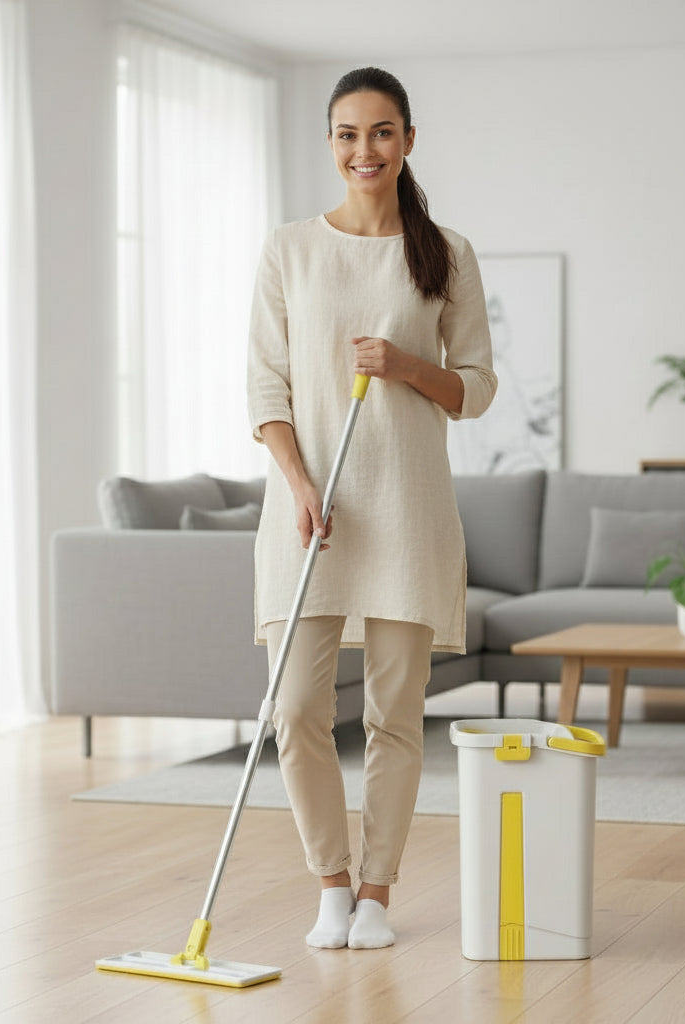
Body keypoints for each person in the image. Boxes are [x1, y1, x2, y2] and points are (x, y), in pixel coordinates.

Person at [247, 66, 496, 951]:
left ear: (408, 141)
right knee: (297, 709)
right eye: (349, 135)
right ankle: (331, 886)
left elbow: (474, 388)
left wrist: (402, 364)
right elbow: (265, 387)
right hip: (313, 509)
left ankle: (379, 892)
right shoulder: (288, 249)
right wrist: (302, 484)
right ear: (330, 143)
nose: (365, 151)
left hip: (408, 505)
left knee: (396, 711)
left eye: (382, 133)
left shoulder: (446, 252)